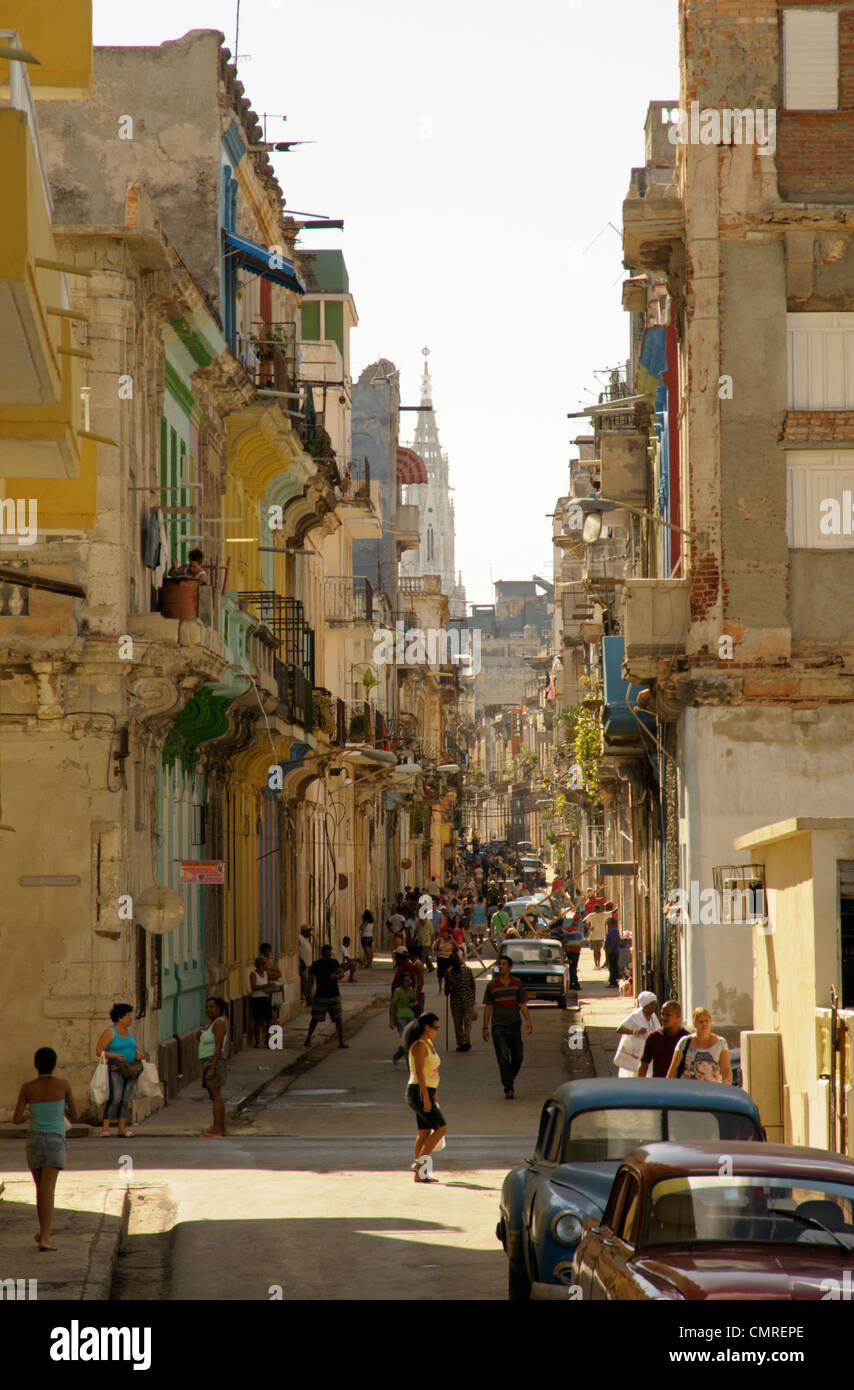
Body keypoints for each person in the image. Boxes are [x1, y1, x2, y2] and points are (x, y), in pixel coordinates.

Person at [13, 1047, 78, 1250]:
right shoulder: (63, 1085)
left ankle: (42, 1232)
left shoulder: (27, 1087)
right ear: (54, 1064)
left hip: (33, 1139)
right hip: (54, 1140)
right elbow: (75, 1116)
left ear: (36, 1065)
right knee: (48, 1190)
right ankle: (46, 1238)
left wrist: (31, 1115)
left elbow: (16, 1119)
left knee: (40, 1189)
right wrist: (58, 1109)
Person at [483, 954, 533, 1098]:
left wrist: (528, 1021)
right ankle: (508, 1087)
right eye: (500, 964)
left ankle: (508, 1078)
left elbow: (522, 1004)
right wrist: (485, 1027)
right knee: (503, 1057)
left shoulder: (517, 984)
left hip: (514, 1025)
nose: (501, 967)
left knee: (518, 1056)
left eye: (504, 964)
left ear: (510, 967)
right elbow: (488, 1007)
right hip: (498, 1026)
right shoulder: (491, 985)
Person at [406, 1012, 447, 1182]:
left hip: (427, 1091)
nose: (438, 1031)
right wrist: (425, 1095)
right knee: (441, 1128)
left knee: (424, 1132)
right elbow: (418, 1072)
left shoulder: (428, 1043)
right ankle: (418, 1164)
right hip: (418, 1092)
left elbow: (431, 1072)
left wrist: (433, 1093)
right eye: (436, 1028)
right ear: (426, 1027)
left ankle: (420, 1174)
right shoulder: (419, 1046)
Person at [95, 1003, 145, 1138]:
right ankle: (105, 1128)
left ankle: (122, 1129)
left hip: (131, 1068)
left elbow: (132, 1047)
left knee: (125, 1099)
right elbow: (99, 1051)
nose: (130, 1018)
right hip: (116, 1068)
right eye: (128, 1015)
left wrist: (138, 1054)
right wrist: (114, 1055)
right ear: (120, 1017)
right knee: (115, 1098)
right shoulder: (110, 1032)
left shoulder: (129, 1032)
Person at [666, 1005, 732, 1083]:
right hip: (688, 1090)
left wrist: (726, 1083)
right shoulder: (685, 1042)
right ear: (695, 1024)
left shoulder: (721, 1043)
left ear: (710, 1022)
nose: (704, 1024)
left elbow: (726, 1069)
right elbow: (673, 1070)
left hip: (712, 1090)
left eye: (706, 1021)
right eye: (700, 1021)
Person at [305, 944, 349, 1048]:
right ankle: (308, 1038)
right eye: (326, 955)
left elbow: (341, 974)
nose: (328, 957)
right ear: (322, 954)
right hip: (321, 996)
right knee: (315, 1019)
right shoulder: (316, 964)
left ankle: (341, 1041)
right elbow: (310, 980)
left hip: (334, 995)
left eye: (329, 955)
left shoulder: (334, 962)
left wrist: (337, 976)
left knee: (338, 1019)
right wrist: (309, 994)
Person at [198, 996, 229, 1137]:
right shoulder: (211, 1024)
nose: (208, 1010)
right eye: (207, 1007)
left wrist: (212, 1067)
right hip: (208, 1061)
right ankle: (220, 1129)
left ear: (219, 1008)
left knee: (216, 1096)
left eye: (212, 1007)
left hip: (213, 1061)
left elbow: (218, 1047)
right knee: (214, 1096)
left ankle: (217, 1129)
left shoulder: (219, 1023)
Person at [613, 992, 661, 1077]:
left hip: (648, 1052)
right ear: (644, 1004)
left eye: (654, 1004)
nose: (653, 1007)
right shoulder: (635, 1016)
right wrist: (635, 1031)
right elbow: (619, 1029)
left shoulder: (653, 1016)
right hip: (635, 1052)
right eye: (651, 1004)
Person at [638, 1001, 689, 1078]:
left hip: (681, 1085)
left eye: (668, 1015)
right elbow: (644, 1065)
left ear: (678, 1016)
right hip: (659, 1085)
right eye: (662, 1014)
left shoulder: (687, 1039)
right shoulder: (653, 1037)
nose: (664, 1018)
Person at [445, 953, 477, 1051]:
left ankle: (464, 1042)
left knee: (463, 1024)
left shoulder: (452, 973)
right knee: (462, 1024)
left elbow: (472, 985)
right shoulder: (451, 973)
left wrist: (473, 999)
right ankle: (463, 1042)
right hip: (461, 1002)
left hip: (463, 1002)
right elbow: (473, 985)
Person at [389, 971, 417, 1064]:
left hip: (410, 1015)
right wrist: (392, 1020)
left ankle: (397, 1056)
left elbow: (415, 1001)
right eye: (406, 980)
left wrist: (413, 1004)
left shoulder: (411, 990)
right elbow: (393, 1005)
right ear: (401, 981)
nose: (407, 982)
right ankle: (409, 1063)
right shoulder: (398, 991)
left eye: (409, 980)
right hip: (401, 1017)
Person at [249, 956, 275, 1048]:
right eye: (263, 964)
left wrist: (272, 986)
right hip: (257, 999)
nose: (265, 966)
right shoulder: (253, 974)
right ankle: (257, 1041)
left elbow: (267, 985)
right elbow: (254, 987)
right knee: (258, 1021)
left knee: (269, 1020)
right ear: (259, 965)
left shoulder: (265, 973)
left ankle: (268, 1039)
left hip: (265, 998)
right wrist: (266, 985)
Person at [562, 910, 584, 989]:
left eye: (577, 920)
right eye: (575, 920)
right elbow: (564, 940)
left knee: (574, 967)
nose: (576, 921)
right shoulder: (568, 928)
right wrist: (566, 949)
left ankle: (571, 983)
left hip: (577, 951)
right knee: (573, 968)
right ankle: (575, 983)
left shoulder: (579, 929)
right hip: (570, 951)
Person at [584, 900, 609, 968]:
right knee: (598, 951)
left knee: (596, 951)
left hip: (594, 936)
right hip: (600, 936)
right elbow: (611, 913)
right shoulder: (602, 914)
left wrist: (589, 928)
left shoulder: (592, 915)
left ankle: (596, 964)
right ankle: (597, 964)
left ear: (594, 909)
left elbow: (584, 921)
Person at [435, 924, 455, 991]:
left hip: (448, 958)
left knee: (448, 973)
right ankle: (440, 987)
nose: (444, 935)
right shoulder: (440, 940)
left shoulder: (451, 941)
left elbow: (457, 948)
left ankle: (448, 985)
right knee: (440, 974)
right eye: (444, 934)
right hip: (440, 957)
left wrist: (452, 939)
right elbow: (435, 949)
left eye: (446, 934)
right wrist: (437, 943)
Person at [604, 917, 622, 987]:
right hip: (613, 951)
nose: (607, 925)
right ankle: (612, 981)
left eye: (608, 923)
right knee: (612, 967)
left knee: (613, 967)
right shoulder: (612, 930)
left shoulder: (613, 930)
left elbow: (613, 941)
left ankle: (614, 982)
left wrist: (610, 949)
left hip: (613, 951)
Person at [298, 924, 313, 1003]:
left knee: (309, 981)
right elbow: (297, 952)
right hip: (303, 965)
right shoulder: (299, 939)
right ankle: (307, 998)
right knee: (304, 981)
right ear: (305, 931)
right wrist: (302, 961)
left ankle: (309, 995)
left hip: (308, 964)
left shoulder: (306, 940)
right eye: (309, 931)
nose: (310, 933)